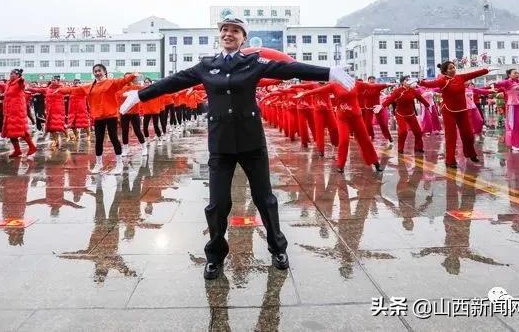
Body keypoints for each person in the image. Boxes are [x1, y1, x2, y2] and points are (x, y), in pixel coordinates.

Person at [120, 15, 354, 280]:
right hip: (220, 144)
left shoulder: (253, 62)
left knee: (265, 200)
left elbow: (289, 69)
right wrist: (140, 95)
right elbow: (174, 81)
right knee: (217, 204)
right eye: (225, 30)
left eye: (235, 31)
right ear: (219, 35)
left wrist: (327, 72)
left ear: (244, 38)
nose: (229, 34)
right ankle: (215, 256)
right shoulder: (206, 66)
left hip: (251, 142)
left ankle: (278, 248)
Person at [57, 66, 136, 171]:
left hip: (111, 116)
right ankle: (98, 164)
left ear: (104, 72)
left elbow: (122, 81)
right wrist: (60, 90)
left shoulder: (111, 83)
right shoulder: (90, 86)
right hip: (98, 117)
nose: (97, 73)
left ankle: (119, 163)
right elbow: (75, 90)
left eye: (99, 71)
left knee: (114, 139)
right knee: (98, 140)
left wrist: (132, 75)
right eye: (95, 71)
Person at [419, 62, 493, 167]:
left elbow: (473, 74)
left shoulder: (460, 78)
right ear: (445, 71)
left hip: (462, 111)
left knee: (468, 135)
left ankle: (470, 154)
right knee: (451, 137)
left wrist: (486, 70)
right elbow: (430, 84)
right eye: (450, 68)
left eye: (454, 67)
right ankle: (450, 160)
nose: (453, 69)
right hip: (449, 112)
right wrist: (421, 82)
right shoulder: (442, 81)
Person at [0, 69, 37, 158]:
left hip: (17, 112)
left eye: (13, 74)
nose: (11, 75)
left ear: (18, 75)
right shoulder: (8, 84)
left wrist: (21, 79)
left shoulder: (19, 83)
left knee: (21, 131)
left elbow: (22, 85)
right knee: (10, 132)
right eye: (10, 73)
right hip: (9, 112)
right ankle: (17, 150)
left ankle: (32, 147)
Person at [377, 76, 429, 154]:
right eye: (406, 80)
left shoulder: (413, 90)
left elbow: (420, 98)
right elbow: (390, 99)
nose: (409, 81)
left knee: (418, 132)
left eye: (409, 79)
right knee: (403, 132)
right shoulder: (398, 91)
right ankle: (400, 149)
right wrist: (382, 106)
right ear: (402, 82)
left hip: (411, 114)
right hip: (400, 114)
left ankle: (418, 147)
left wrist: (427, 105)